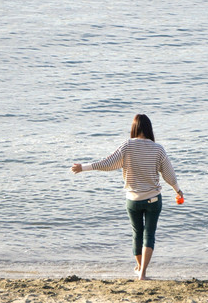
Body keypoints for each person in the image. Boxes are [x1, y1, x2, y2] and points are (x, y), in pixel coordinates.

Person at [72, 114, 183, 280]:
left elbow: (107, 163)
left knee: (137, 234)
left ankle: (139, 269)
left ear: (134, 128)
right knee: (149, 235)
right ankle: (143, 273)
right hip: (153, 199)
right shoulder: (158, 148)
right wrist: (177, 190)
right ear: (149, 129)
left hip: (133, 200)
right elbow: (169, 174)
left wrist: (84, 167)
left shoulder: (127, 146)